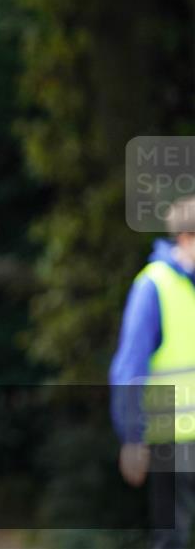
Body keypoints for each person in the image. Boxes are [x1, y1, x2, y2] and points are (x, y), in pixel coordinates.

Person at [110, 195, 195, 549]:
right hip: (170, 441)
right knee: (172, 539)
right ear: (187, 237)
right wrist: (132, 436)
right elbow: (130, 367)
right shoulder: (153, 286)